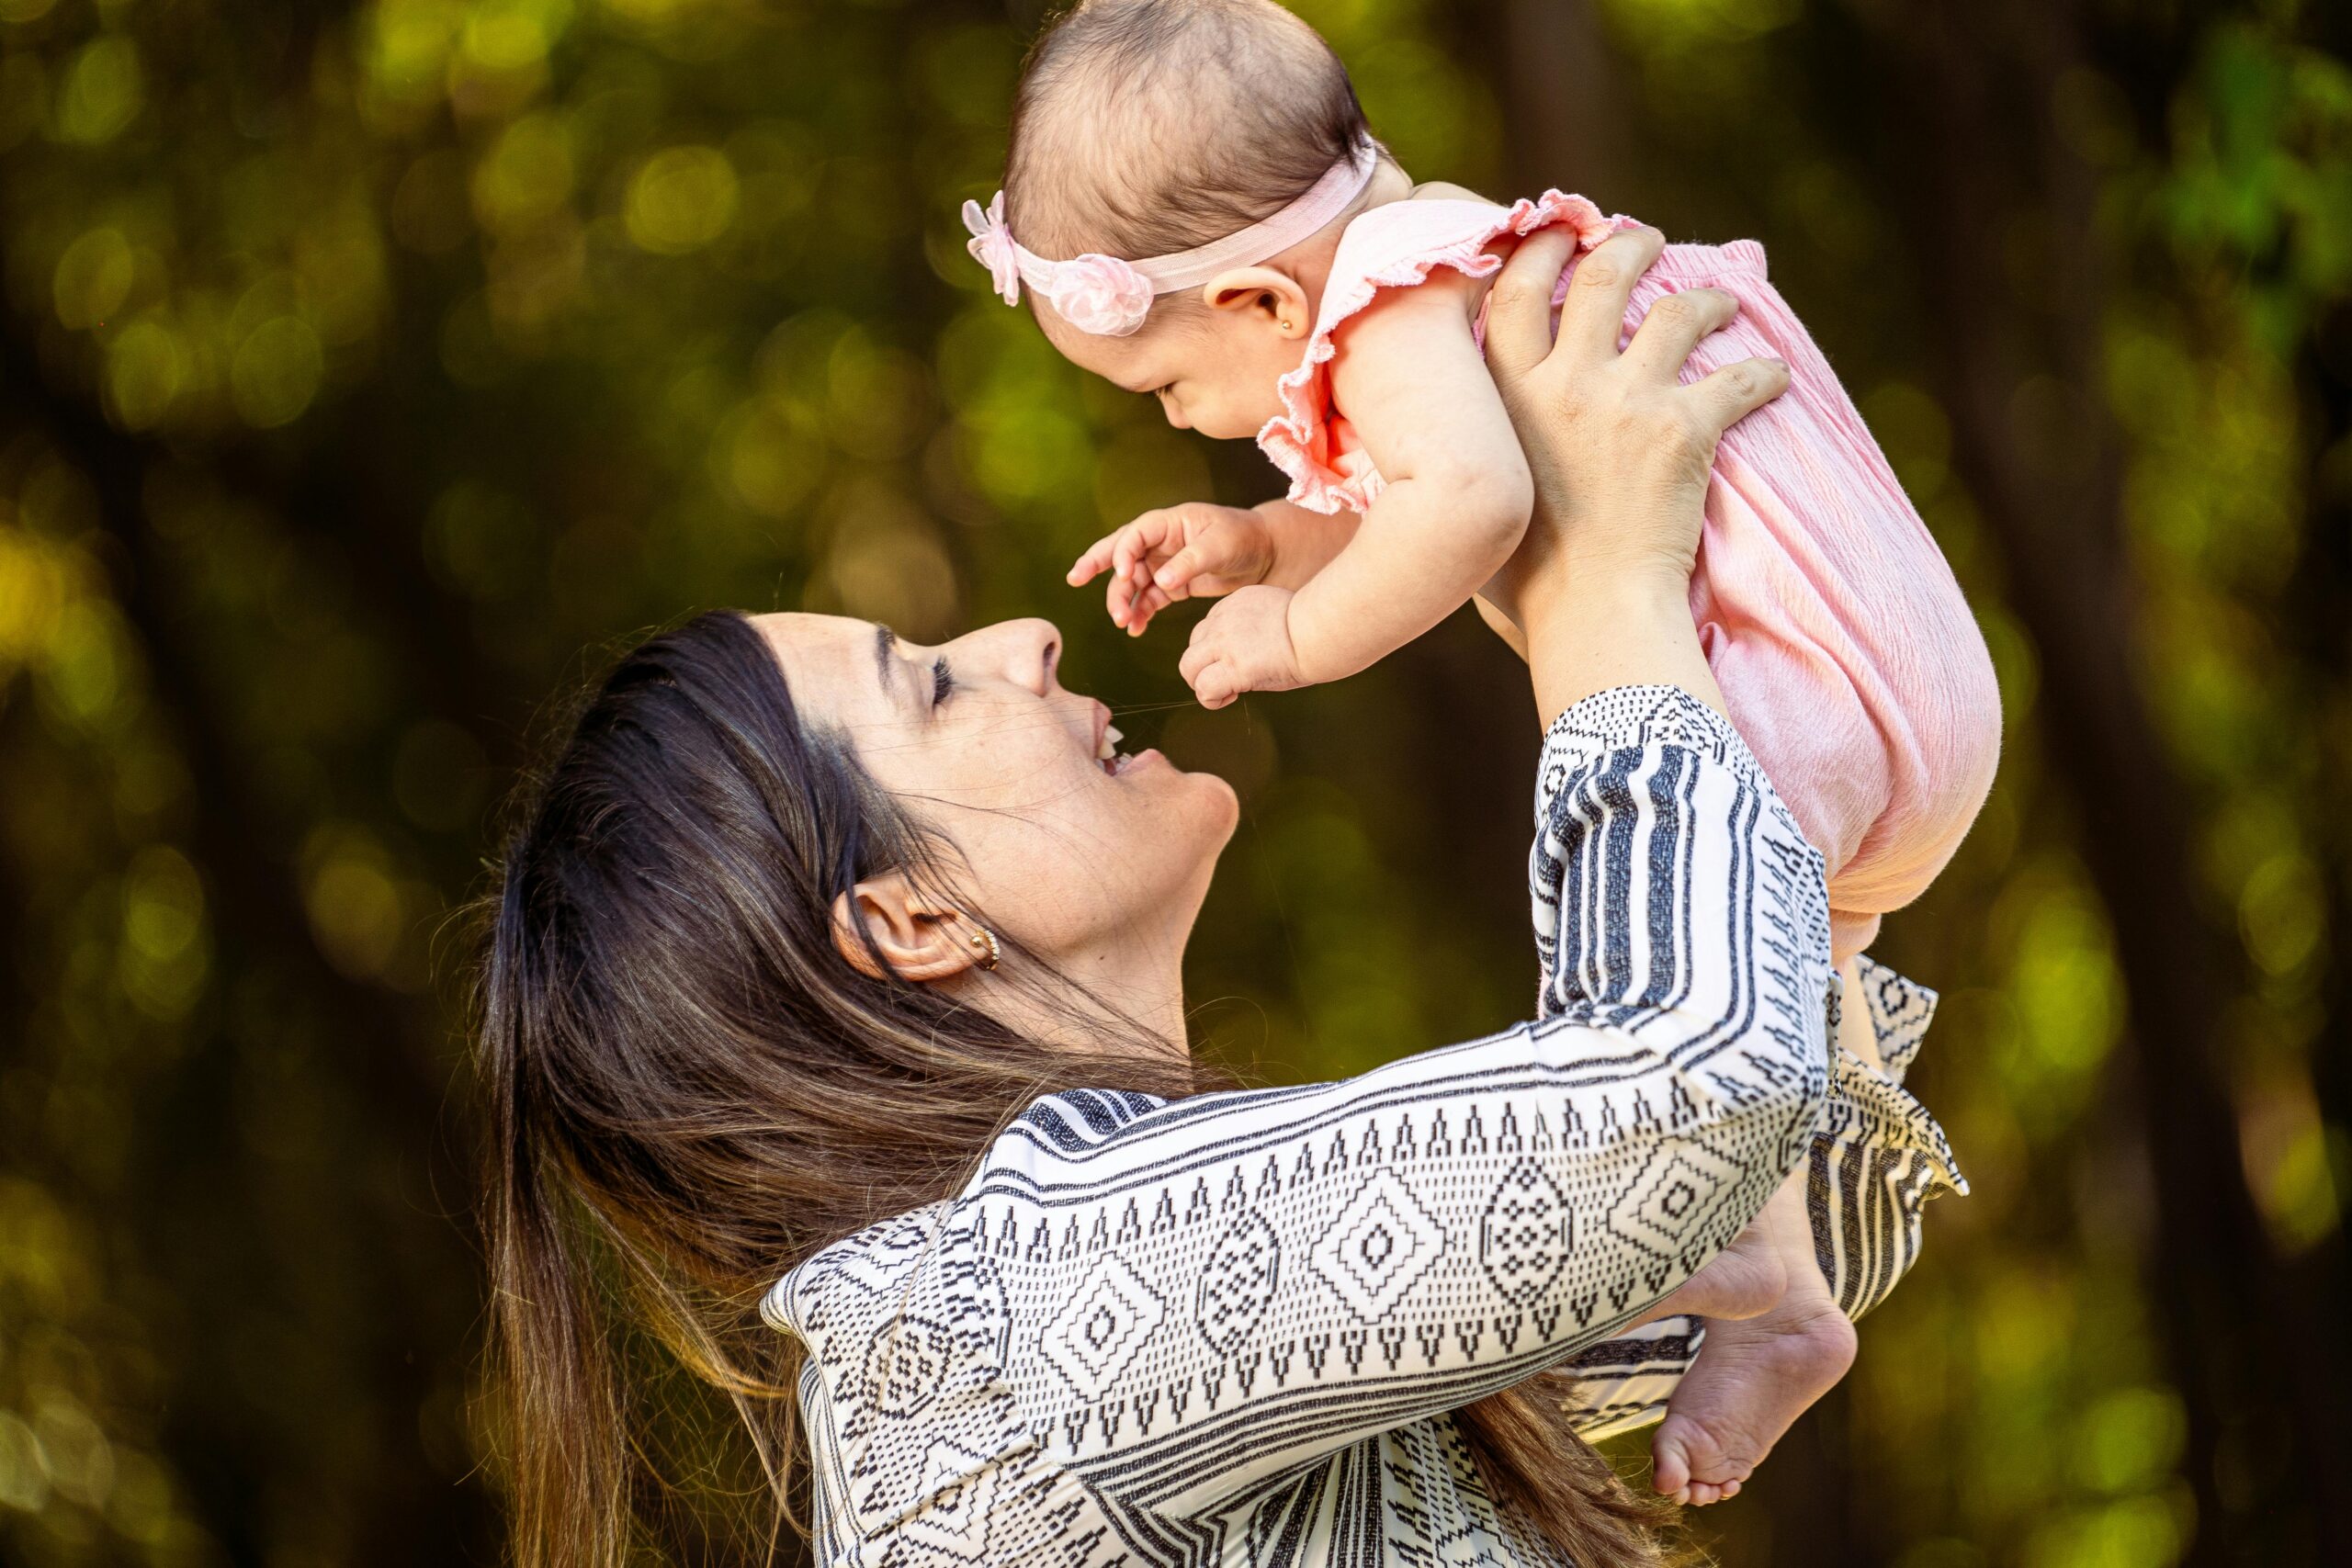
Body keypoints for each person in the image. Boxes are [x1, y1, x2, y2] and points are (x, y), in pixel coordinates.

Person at [477, 225, 1961, 1568]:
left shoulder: (1116, 1296)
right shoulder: (1001, 1324)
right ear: (910, 920)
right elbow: (1689, 1092)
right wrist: (1601, 595)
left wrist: (1713, 662)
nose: (1020, 638)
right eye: (929, 686)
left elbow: (1728, 1218)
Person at [959, 0, 1997, 1497]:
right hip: (1883, 692)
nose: (1188, 416)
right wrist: (1257, 540)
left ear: (1258, 298)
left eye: (1170, 390)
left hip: (1803, 690)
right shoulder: (1436, 261)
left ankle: (1712, 1243)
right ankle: (1783, 1287)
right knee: (1782, 966)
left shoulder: (1382, 307)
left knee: (1642, 895)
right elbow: (1399, 480)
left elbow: (1470, 507)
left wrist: (1296, 639)